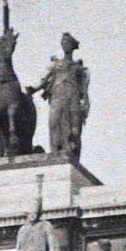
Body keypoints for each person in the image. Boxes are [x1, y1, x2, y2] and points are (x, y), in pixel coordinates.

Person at [29, 32, 90, 162]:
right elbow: (45, 79)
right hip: (57, 96)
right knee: (54, 123)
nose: (65, 45)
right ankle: (55, 153)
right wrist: (34, 89)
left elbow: (84, 88)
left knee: (75, 130)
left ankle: (74, 157)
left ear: (72, 46)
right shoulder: (56, 65)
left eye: (67, 43)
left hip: (73, 98)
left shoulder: (78, 67)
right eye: (63, 43)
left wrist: (85, 103)